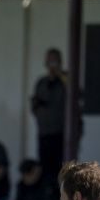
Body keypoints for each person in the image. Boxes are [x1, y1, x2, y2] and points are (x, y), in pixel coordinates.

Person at [30, 48, 67, 189]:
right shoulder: (41, 82)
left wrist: (59, 74)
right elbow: (35, 104)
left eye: (55, 60)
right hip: (44, 133)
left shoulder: (66, 79)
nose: (52, 64)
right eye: (49, 60)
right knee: (45, 168)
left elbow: (76, 93)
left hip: (62, 134)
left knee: (63, 169)